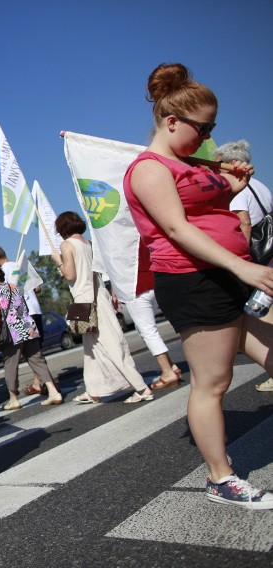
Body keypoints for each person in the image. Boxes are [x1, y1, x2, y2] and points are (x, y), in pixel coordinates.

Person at [124, 63, 273, 509]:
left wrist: (230, 188)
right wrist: (242, 268)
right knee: (213, 381)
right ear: (172, 122)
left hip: (227, 273)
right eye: (203, 127)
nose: (208, 135)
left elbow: (203, 212)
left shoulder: (186, 162)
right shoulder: (149, 169)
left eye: (212, 126)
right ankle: (220, 478)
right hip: (194, 281)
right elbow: (177, 229)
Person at [52, 212, 153, 404]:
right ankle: (94, 389)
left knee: (110, 343)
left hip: (84, 298)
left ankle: (141, 387)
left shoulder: (66, 245)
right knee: (91, 348)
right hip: (99, 296)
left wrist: (59, 263)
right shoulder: (88, 243)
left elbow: (71, 275)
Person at [216, 140, 273, 393]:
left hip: (256, 257)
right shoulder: (259, 185)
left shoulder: (238, 190)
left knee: (263, 317)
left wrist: (241, 262)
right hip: (270, 252)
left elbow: (244, 223)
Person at [0, 266, 62, 409]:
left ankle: (13, 399)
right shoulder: (15, 287)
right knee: (37, 360)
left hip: (12, 333)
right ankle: (53, 391)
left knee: (10, 365)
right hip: (28, 327)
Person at [117, 244, 183, 390]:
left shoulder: (118, 239)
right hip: (154, 279)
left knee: (147, 330)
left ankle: (167, 372)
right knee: (146, 329)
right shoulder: (137, 232)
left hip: (136, 286)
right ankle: (172, 366)